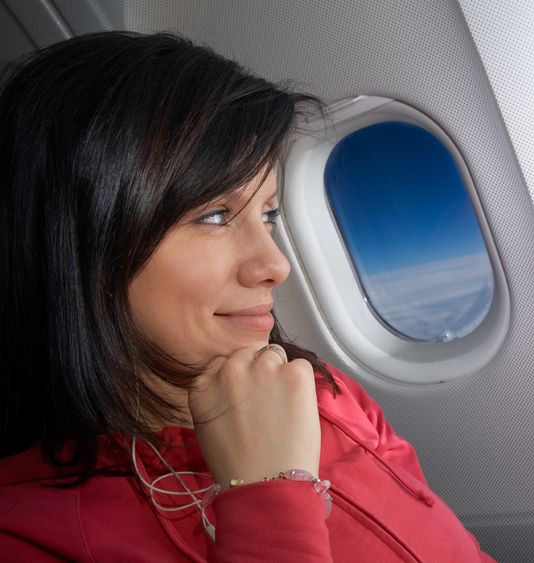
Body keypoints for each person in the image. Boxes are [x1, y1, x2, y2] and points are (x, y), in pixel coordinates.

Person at [0, 31, 495, 562]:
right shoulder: (27, 535)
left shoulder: (321, 391)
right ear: (78, 244)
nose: (276, 266)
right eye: (214, 216)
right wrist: (267, 494)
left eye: (270, 214)